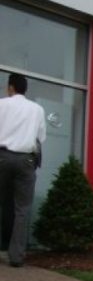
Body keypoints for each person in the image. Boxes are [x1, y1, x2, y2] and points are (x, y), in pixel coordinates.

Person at [0, 73, 46, 267]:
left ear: (10, 87)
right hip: (26, 160)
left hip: (2, 156)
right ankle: (16, 257)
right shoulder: (37, 109)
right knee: (22, 209)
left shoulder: (2, 104)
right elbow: (40, 138)